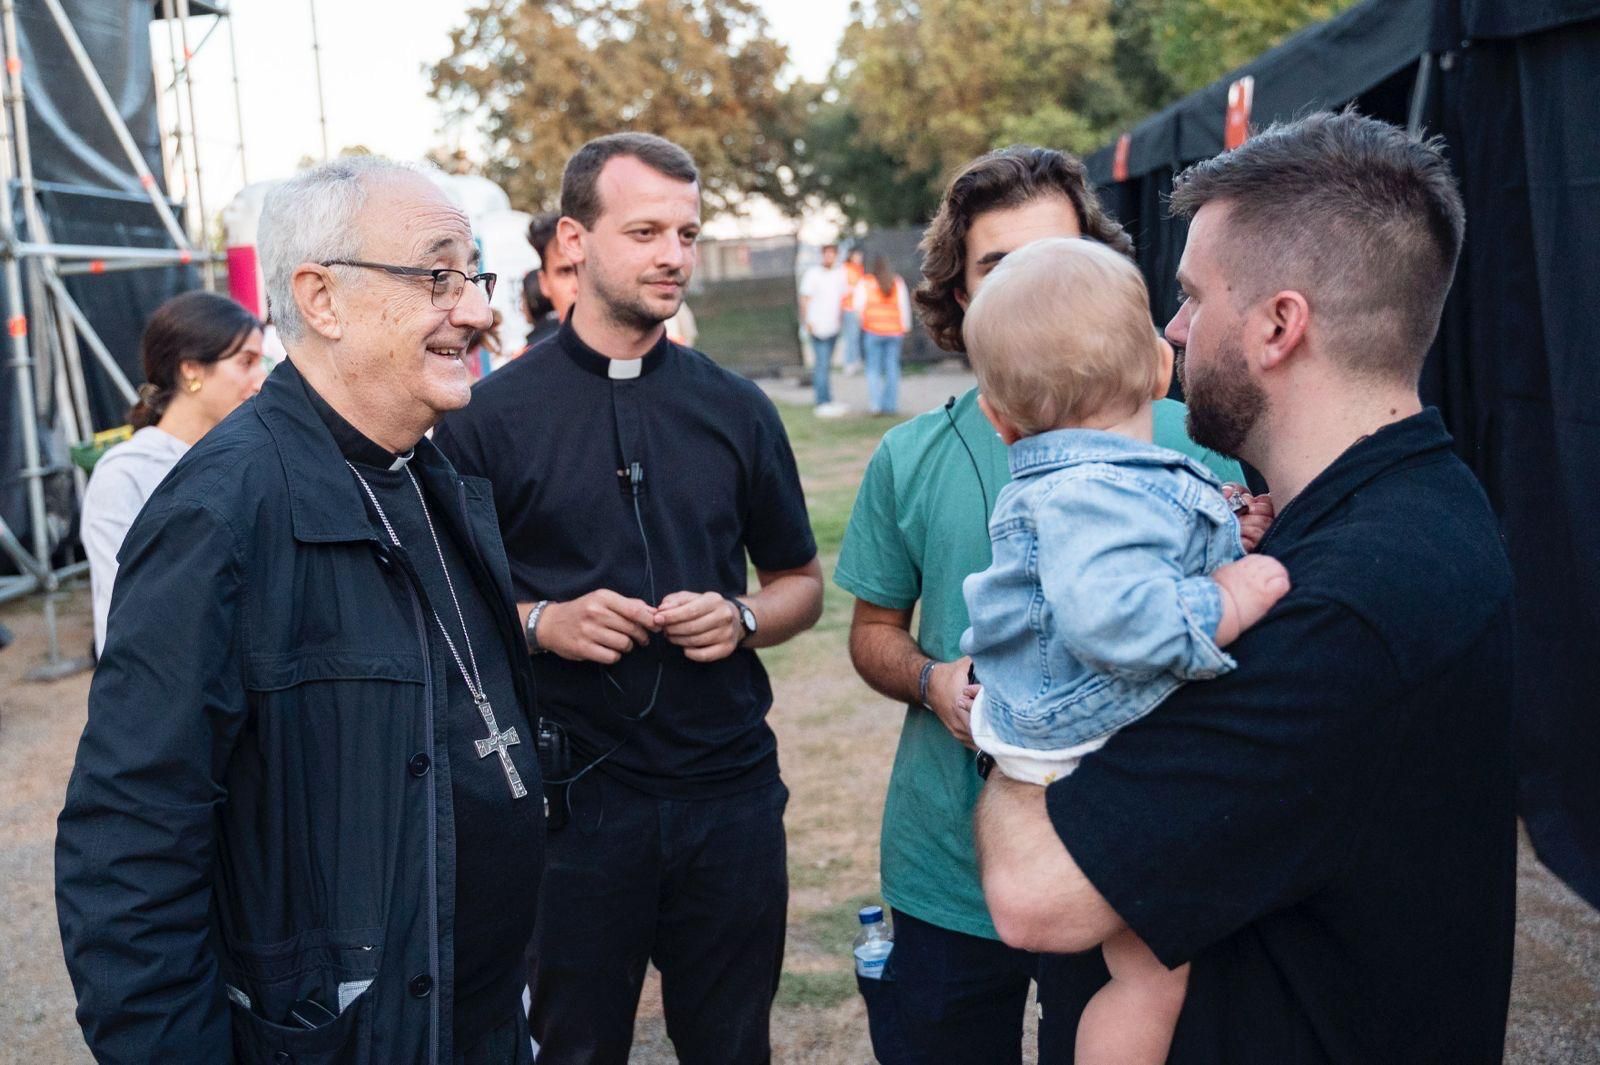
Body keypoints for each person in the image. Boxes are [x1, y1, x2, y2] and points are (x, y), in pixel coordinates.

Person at [975, 112, 1516, 1063]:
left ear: (1278, 325)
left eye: (1188, 296)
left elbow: (1034, 892)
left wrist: (1012, 722)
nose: (1171, 330)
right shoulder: (1395, 505)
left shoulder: (1344, 603)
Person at [56, 156, 545, 1065]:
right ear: (320, 297)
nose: (477, 309)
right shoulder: (218, 512)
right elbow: (129, 848)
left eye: (472, 274)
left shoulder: (434, 477)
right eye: (439, 274)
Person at [833, 144, 1244, 1065]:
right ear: (961, 293)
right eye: (1000, 266)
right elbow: (871, 635)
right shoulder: (908, 456)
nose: (1036, 285)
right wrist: (935, 680)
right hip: (943, 869)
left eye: (1059, 256)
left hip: (1130, 865)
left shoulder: (1190, 442)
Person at [433, 133, 823, 1065]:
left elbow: (800, 585)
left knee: (733, 1045)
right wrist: (541, 623)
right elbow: (438, 614)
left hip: (728, 792)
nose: (673, 256)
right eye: (646, 230)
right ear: (573, 240)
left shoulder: (738, 409)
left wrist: (739, 618)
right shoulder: (487, 419)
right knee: (573, 1047)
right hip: (573, 803)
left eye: (687, 233)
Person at [959, 238, 1288, 1064]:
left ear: (998, 417)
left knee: (1142, 972)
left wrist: (1221, 525)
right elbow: (1117, 619)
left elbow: (1138, 542)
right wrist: (1228, 596)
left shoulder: (1085, 481)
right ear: (1158, 366)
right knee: (1149, 977)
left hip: (1035, 718)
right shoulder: (1098, 492)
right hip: (1075, 730)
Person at [80, 290, 265, 657]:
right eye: (246, 362)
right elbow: (135, 608)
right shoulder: (125, 475)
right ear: (191, 370)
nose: (261, 380)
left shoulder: (250, 458)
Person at [854, 255, 912, 415]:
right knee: (892, 368)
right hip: (894, 331)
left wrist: (863, 322)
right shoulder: (896, 282)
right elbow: (904, 306)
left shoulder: (866, 282)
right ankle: (891, 405)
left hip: (873, 331)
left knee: (873, 369)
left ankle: (876, 405)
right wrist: (905, 327)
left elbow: (857, 306)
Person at [799, 242, 852, 415]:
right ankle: (821, 401)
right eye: (826, 254)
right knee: (821, 365)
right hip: (818, 326)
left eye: (832, 254)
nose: (829, 257)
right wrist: (807, 321)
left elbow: (844, 298)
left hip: (833, 326)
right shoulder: (813, 274)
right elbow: (805, 298)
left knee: (827, 365)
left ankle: (828, 399)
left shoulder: (839, 274)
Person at [840, 246, 866, 373]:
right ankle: (849, 363)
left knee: (856, 336)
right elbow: (842, 289)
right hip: (849, 307)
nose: (859, 258)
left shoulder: (859, 269)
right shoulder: (845, 269)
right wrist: (853, 289)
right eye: (856, 255)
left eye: (860, 255)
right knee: (851, 336)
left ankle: (855, 360)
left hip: (859, 308)